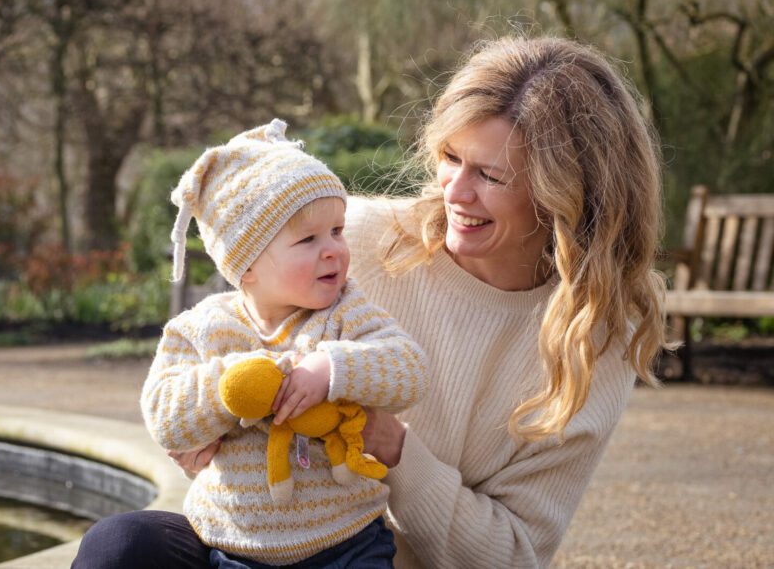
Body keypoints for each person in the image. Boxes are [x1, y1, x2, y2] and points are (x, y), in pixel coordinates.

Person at [71, 35, 672, 568]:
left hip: (372, 557)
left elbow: (513, 554)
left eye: (491, 176)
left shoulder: (591, 339)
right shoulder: (349, 238)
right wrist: (210, 418)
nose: (454, 192)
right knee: (122, 547)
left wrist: (392, 447)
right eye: (450, 158)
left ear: (565, 194)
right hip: (261, 544)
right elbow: (226, 338)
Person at [86, 119, 429, 568]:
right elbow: (164, 415)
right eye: (308, 239)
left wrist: (331, 369)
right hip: (236, 548)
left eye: (337, 231)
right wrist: (230, 385)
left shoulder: (346, 311)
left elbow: (409, 369)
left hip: (347, 543)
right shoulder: (204, 328)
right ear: (245, 266)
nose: (333, 250)